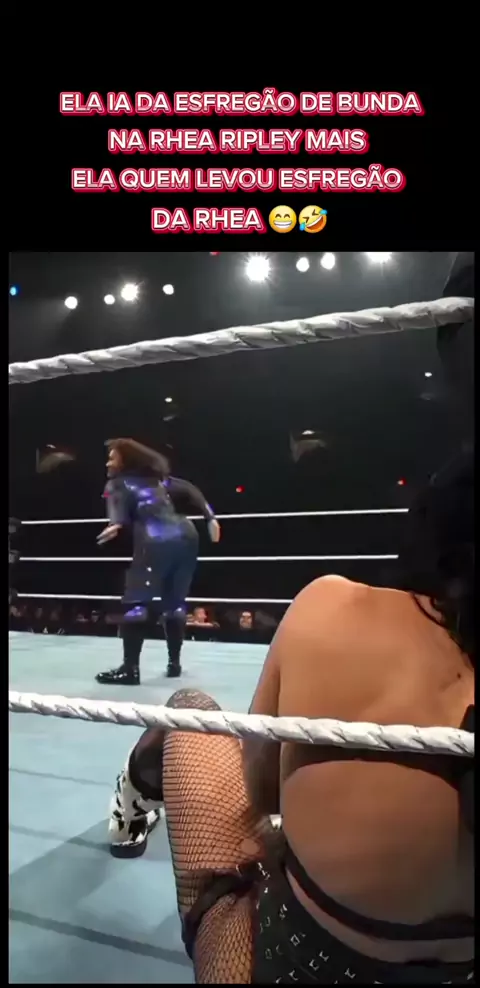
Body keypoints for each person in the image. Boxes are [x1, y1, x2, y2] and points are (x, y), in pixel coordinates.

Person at [106, 449, 473, 983]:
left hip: (282, 966)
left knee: (192, 710)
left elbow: (263, 793)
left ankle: (134, 796)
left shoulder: (334, 608)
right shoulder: (160, 488)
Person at [95, 439, 220, 685]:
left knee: (137, 602)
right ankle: (174, 663)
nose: (108, 463)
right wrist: (210, 517)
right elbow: (189, 489)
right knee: (175, 601)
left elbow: (117, 508)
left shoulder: (117, 483)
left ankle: (130, 669)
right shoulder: (160, 480)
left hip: (156, 537)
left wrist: (115, 524)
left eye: (112, 458)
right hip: (187, 535)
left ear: (125, 461)